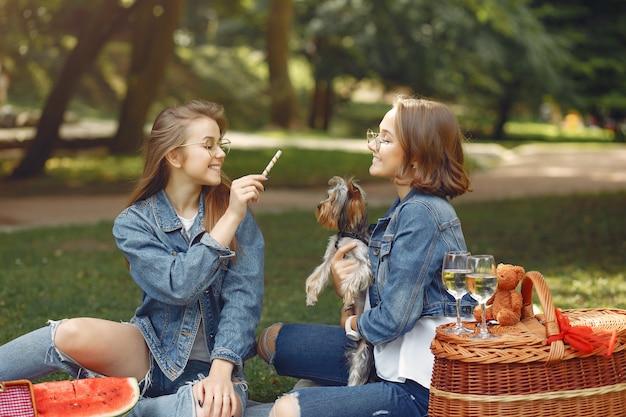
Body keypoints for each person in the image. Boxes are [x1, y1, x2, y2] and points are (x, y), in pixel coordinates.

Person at [0, 99, 267, 417]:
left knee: (210, 409)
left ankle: (135, 409)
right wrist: (228, 221)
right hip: (151, 351)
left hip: (213, 365)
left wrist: (222, 372)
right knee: (69, 333)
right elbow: (178, 286)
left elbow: (244, 300)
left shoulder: (235, 214)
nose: (220, 154)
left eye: (221, 144)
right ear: (174, 155)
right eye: (208, 145)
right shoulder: (134, 222)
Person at [253, 96, 475, 417]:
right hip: (384, 357)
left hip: (417, 386)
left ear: (416, 156)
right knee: (272, 340)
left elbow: (394, 319)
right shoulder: (404, 208)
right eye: (376, 135)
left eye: (385, 139)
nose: (372, 145)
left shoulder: (422, 214)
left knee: (287, 410)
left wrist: (352, 322)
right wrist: (347, 298)